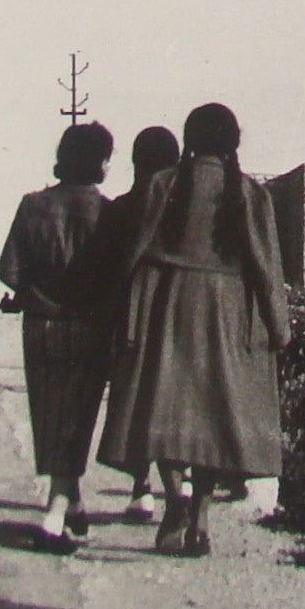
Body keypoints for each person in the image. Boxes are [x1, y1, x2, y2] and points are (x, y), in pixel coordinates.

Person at [96, 103, 290, 557]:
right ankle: (201, 515)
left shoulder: (164, 186)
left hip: (169, 307)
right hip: (227, 312)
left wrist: (120, 308)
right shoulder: (249, 193)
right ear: (232, 142)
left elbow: (134, 254)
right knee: (213, 416)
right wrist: (278, 327)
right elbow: (266, 265)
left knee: (168, 411)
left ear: (189, 139)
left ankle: (174, 504)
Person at [0, 122, 116, 554]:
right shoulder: (110, 213)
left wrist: (34, 295)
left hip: (42, 327)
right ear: (100, 163)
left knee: (50, 416)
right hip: (90, 328)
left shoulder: (32, 205)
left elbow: (7, 271)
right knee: (78, 418)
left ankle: (73, 503)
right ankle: (54, 514)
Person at [97, 125, 185, 523]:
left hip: (130, 313)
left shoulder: (120, 208)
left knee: (134, 397)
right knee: (173, 398)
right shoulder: (185, 209)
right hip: (178, 316)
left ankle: (141, 490)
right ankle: (179, 482)